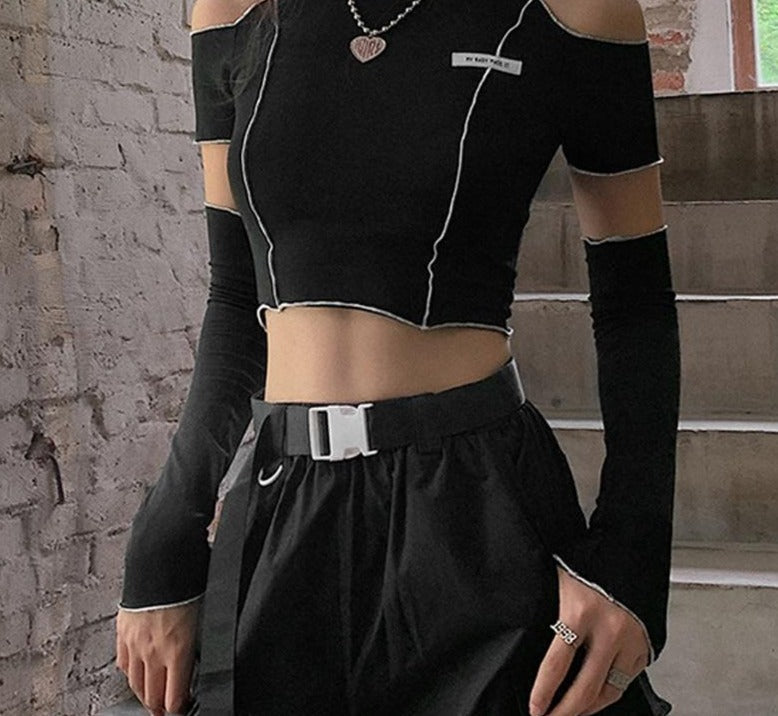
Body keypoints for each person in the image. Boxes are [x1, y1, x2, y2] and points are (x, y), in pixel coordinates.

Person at [115, 0, 680, 714]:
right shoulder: (232, 11)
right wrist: (165, 534)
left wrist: (632, 559)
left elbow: (636, 304)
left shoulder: (577, 11)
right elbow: (234, 298)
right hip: (286, 504)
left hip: (476, 508)